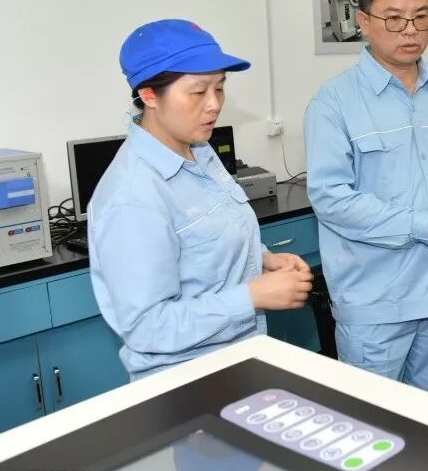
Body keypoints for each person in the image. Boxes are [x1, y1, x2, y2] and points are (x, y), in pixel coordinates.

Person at [89, 19, 313, 380]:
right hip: (186, 380)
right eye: (198, 92)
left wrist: (261, 259)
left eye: (220, 88)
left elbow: (205, 242)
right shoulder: (132, 197)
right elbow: (147, 327)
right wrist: (251, 296)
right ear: (149, 95)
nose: (214, 105)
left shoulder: (199, 151)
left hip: (241, 358)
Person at [304, 0, 428, 396]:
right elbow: (331, 198)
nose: (410, 30)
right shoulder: (334, 102)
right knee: (371, 422)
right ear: (364, 21)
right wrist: (422, 226)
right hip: (376, 305)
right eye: (394, 18)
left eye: (421, 17)